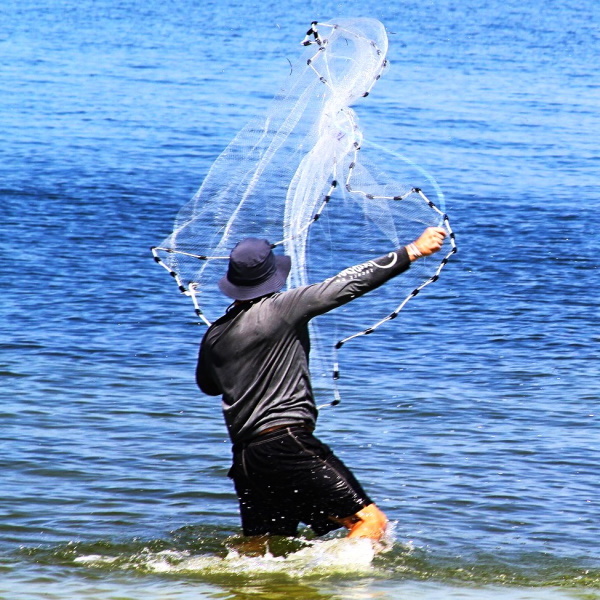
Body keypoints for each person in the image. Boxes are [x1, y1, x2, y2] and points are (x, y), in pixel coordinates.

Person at [196, 226, 446, 544]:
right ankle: (348, 587)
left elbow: (209, 386)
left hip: (247, 460)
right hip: (286, 445)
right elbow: (346, 283)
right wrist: (412, 251)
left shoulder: (214, 335)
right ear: (272, 277)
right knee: (370, 523)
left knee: (263, 548)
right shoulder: (281, 308)